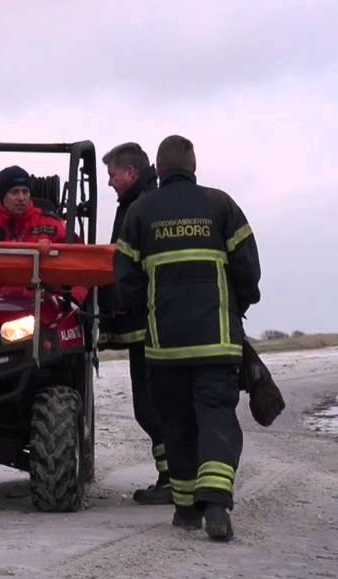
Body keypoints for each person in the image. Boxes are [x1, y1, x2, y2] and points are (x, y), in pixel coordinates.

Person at [114, 135, 261, 542]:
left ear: (158, 170)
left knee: (176, 423)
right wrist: (239, 304)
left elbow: (124, 280)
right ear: (193, 166)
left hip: (165, 346)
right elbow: (248, 269)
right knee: (216, 416)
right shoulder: (221, 205)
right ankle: (215, 503)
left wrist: (146, 309)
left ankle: (184, 510)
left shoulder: (140, 212)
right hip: (217, 342)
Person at [96, 143, 167, 504]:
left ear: (131, 174)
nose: (109, 183)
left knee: (151, 406)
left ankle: (173, 478)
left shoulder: (140, 208)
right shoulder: (140, 203)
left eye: (112, 175)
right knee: (154, 405)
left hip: (147, 325)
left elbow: (126, 265)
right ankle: (173, 477)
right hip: (153, 323)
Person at [0, 166, 68, 243]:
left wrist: (53, 252)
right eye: (15, 192)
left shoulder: (53, 224)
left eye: (25, 192)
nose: (21, 198)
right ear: (2, 197)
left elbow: (77, 256)